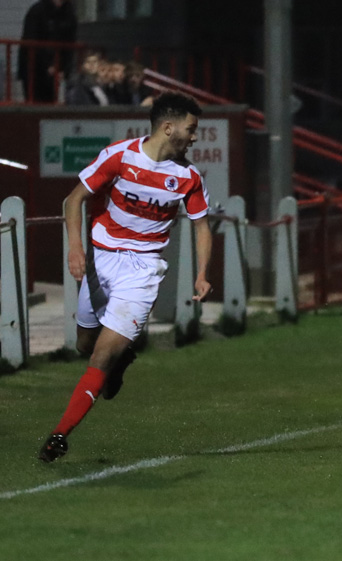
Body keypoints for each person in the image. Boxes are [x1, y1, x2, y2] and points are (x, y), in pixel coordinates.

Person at [38, 92, 213, 463]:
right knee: (85, 344)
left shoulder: (188, 177)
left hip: (144, 271)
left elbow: (201, 225)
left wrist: (201, 274)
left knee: (98, 357)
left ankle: (59, 435)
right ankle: (120, 362)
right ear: (169, 127)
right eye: (191, 129)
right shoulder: (119, 156)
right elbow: (73, 200)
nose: (195, 137)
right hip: (101, 260)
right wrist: (75, 247)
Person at [17, 0, 77, 103]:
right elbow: (30, 43)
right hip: (34, 70)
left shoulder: (69, 13)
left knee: (51, 105)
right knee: (35, 104)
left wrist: (63, 68)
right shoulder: (37, 11)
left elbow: (69, 45)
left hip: (55, 69)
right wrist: (47, 66)